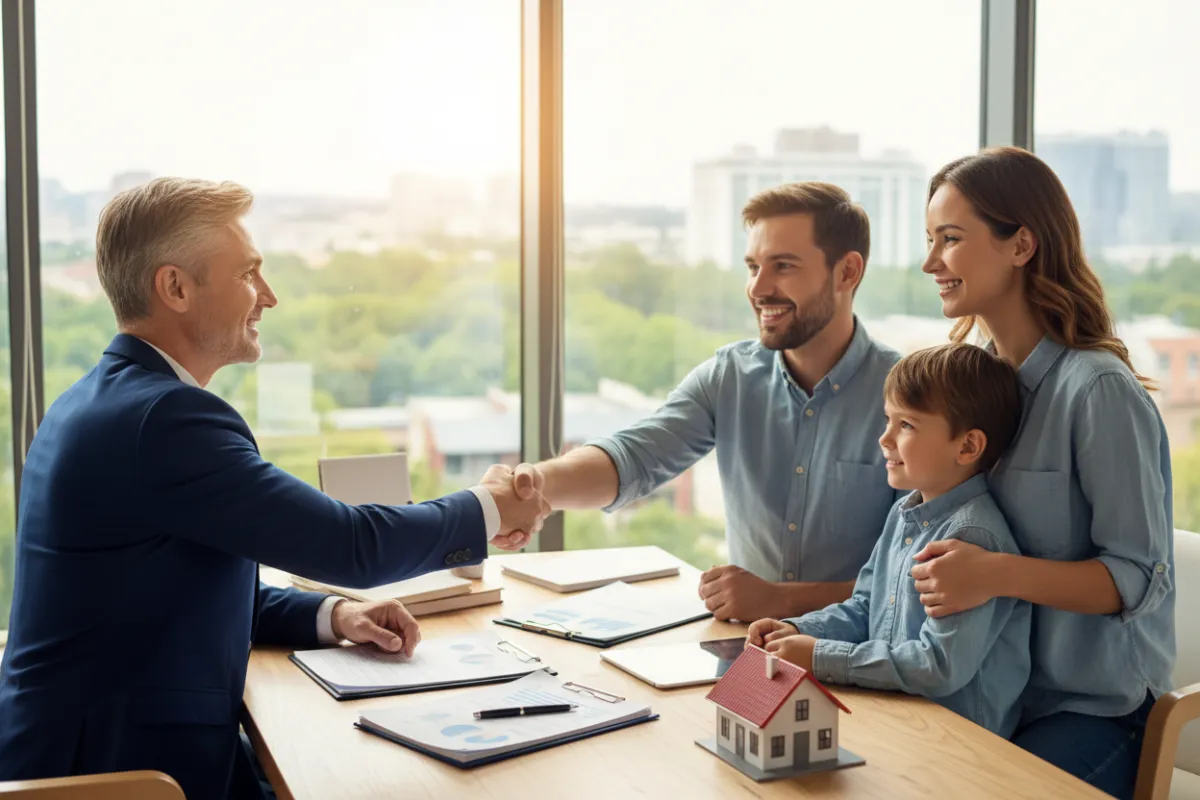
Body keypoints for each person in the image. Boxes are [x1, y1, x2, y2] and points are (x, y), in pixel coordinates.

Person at [0, 178, 548, 800]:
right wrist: (490, 508)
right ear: (175, 287)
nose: (270, 297)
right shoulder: (165, 420)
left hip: (98, 749)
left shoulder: (103, 400)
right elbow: (350, 545)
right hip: (120, 776)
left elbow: (179, 588)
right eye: (249, 274)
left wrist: (335, 614)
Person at [910, 147, 1174, 799]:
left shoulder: (1098, 392)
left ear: (1021, 243)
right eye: (929, 241)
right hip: (990, 698)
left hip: (1092, 716)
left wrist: (992, 575)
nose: (930, 263)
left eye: (950, 239)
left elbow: (1138, 578)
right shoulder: (970, 384)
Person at [512, 182, 901, 622]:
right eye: (753, 266)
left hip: (864, 670)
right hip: (752, 662)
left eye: (784, 266)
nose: (758, 288)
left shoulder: (909, 397)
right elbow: (636, 458)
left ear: (847, 272)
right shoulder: (729, 377)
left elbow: (911, 579)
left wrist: (782, 601)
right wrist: (530, 484)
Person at [748, 343, 1030, 737]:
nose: (884, 438)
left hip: (958, 744)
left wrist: (819, 655)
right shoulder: (903, 514)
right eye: (887, 420)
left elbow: (937, 666)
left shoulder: (972, 539)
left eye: (907, 425)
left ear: (967, 446)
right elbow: (865, 607)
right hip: (895, 719)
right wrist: (797, 630)